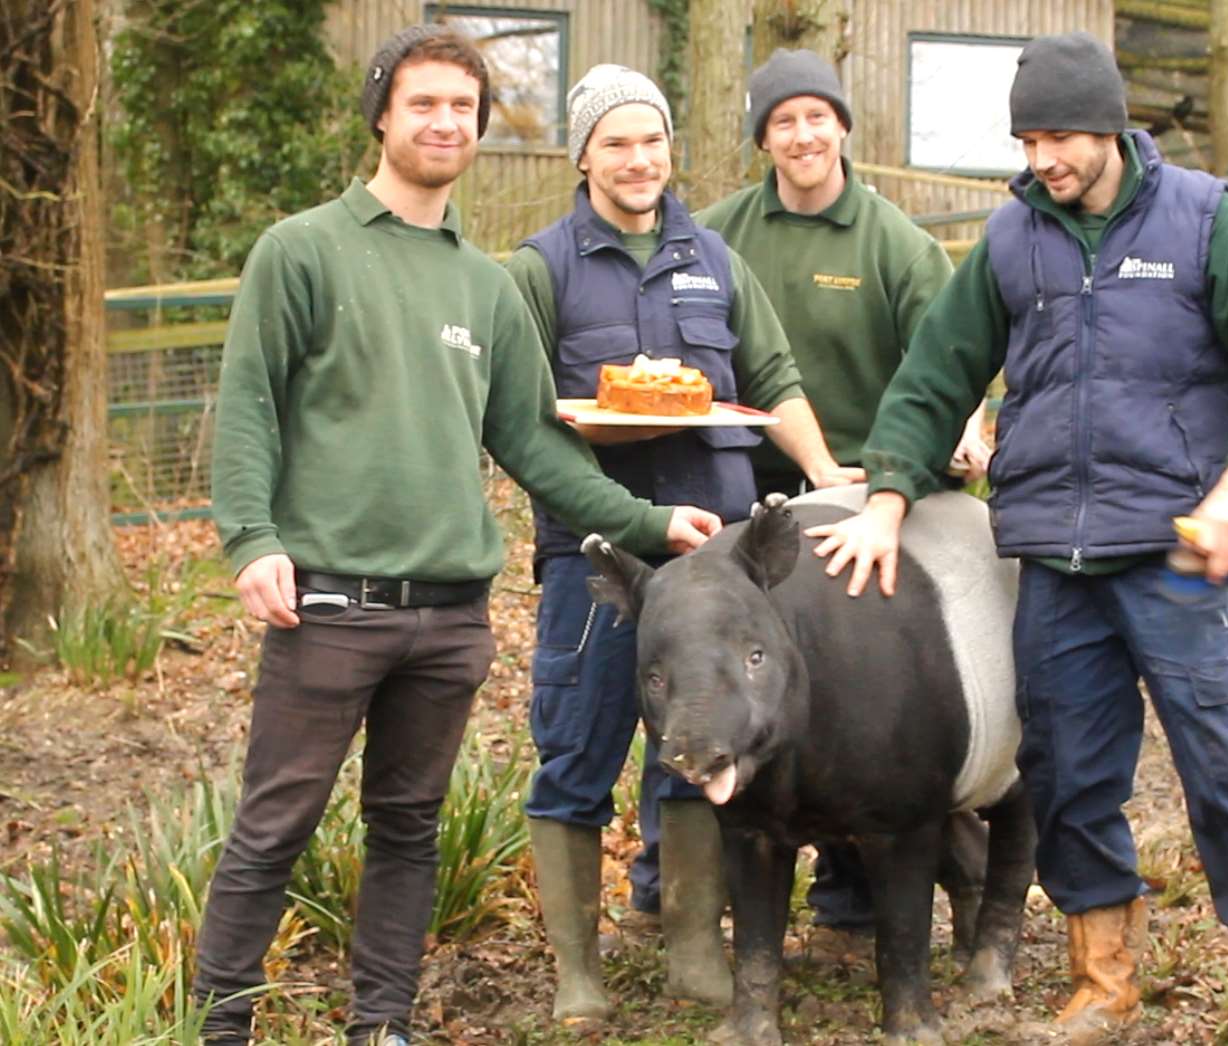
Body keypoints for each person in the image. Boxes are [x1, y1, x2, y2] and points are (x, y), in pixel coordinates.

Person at [194, 28, 719, 1046]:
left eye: (462, 109)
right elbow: (250, 402)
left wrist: (646, 521)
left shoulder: (483, 286)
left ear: (480, 129)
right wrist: (251, 538)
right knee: (273, 827)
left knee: (406, 829)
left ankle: (380, 1023)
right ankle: (218, 1027)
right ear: (382, 116)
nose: (443, 122)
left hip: (446, 618)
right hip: (327, 605)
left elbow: (533, 440)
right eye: (423, 103)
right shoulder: (300, 250)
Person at [808, 31, 1228, 1046]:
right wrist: (884, 494)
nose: (1041, 157)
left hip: (1172, 552)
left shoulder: (1203, 222)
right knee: (1068, 772)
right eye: (1026, 137)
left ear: (1107, 126)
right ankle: (1099, 982)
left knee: (1219, 764)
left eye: (1057, 136)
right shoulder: (1012, 239)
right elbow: (930, 378)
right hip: (1052, 554)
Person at [504, 64, 859, 1023]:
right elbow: (528, 428)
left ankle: (696, 951)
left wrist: (823, 475)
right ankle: (578, 970)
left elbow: (773, 377)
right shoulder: (540, 270)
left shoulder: (712, 257)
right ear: (581, 156)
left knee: (706, 749)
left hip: (714, 561)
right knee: (576, 752)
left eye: (651, 139)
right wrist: (628, 517)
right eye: (616, 142)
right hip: (599, 564)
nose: (638, 159)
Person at [695, 48, 990, 954]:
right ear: (762, 139)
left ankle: (854, 900)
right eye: (782, 121)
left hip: (873, 491)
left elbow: (955, 355)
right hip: (754, 492)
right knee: (723, 680)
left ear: (842, 129)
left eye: (816, 117)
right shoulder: (721, 234)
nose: (802, 135)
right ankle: (682, 891)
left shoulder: (893, 241)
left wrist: (972, 429)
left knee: (863, 699)